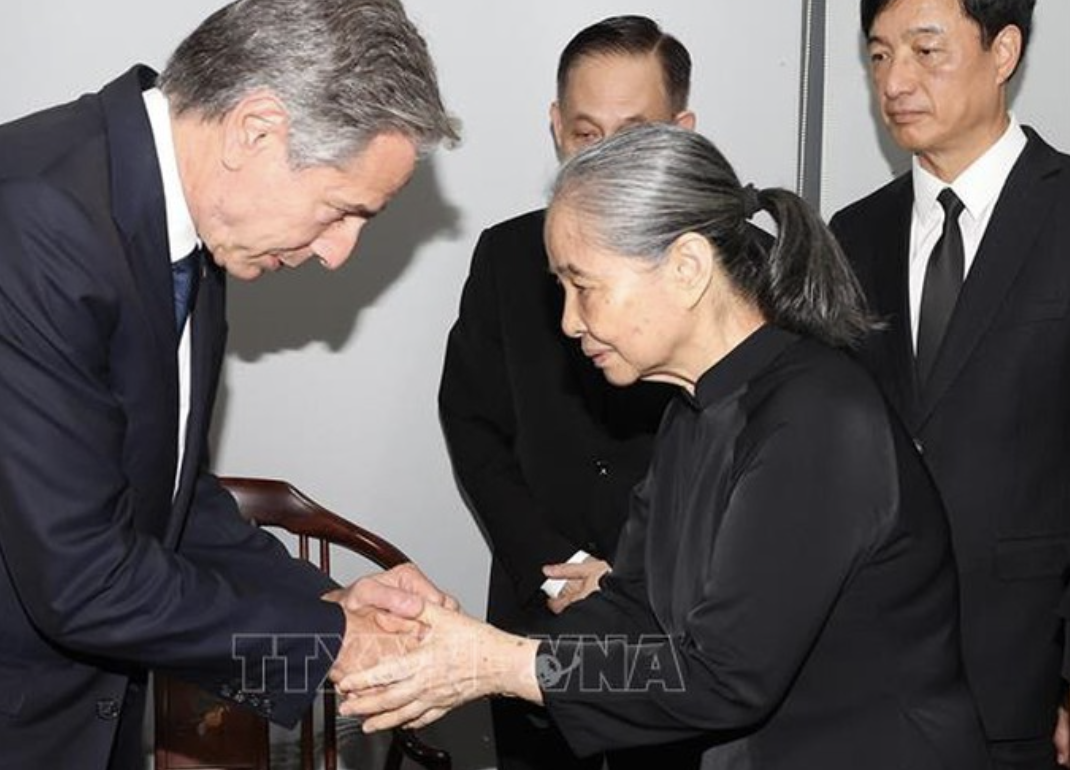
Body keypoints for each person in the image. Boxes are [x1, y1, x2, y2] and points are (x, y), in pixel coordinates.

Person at [0, 0, 458, 770]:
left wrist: (325, 600)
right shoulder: (35, 220)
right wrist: (336, 644)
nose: (342, 252)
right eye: (345, 209)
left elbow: (161, 495)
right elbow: (83, 576)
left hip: (59, 705)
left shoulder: (174, 220)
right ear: (257, 129)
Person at [337, 123, 991, 769]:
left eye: (583, 286)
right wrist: (468, 653)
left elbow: (720, 676)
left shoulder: (818, 419)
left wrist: (498, 665)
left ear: (685, 268)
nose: (567, 321)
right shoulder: (694, 411)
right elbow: (636, 607)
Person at [826, 0, 1070, 769]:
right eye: (880, 54)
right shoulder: (852, 235)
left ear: (1004, 49)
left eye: (926, 51)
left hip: (1027, 680)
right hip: (865, 679)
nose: (895, 82)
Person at [438, 15, 694, 770]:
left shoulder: (734, 268)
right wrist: (554, 567)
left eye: (635, 133)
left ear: (680, 131)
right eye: (587, 134)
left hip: (680, 628)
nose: (609, 159)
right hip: (537, 610)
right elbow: (473, 425)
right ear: (555, 129)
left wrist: (636, 580)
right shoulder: (507, 256)